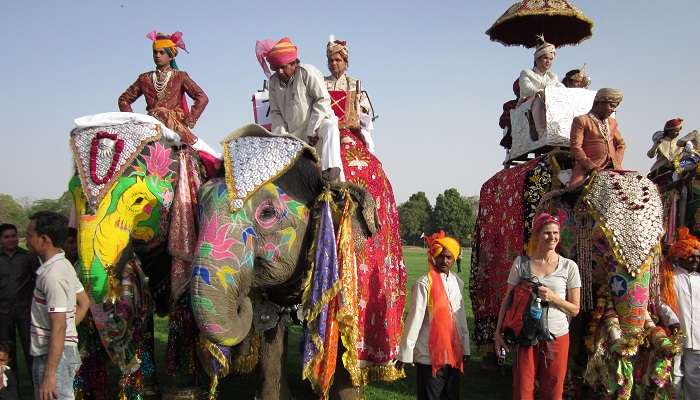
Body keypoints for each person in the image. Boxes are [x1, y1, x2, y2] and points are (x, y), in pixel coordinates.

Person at [324, 37, 407, 370]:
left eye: (340, 59)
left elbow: (369, 125)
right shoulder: (320, 85)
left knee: (373, 175)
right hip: (327, 145)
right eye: (331, 59)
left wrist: (358, 122)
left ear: (347, 61)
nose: (335, 64)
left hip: (353, 145)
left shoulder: (358, 87)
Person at [494, 213, 581, 400]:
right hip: (525, 336)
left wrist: (554, 298)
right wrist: (498, 332)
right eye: (547, 233)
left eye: (556, 233)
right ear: (537, 235)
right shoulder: (522, 264)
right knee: (523, 390)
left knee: (553, 391)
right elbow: (507, 300)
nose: (552, 237)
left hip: (557, 337)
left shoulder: (569, 267)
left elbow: (575, 309)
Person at [257, 37, 344, 182]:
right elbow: (276, 113)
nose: (279, 71)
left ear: (293, 64)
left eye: (282, 67)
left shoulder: (307, 72)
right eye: (276, 68)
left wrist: (312, 130)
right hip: (295, 136)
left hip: (316, 129)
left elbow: (322, 100)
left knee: (330, 126)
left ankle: (332, 168)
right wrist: (283, 139)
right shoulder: (273, 83)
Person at [398, 231, 470, 400]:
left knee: (451, 395)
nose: (444, 261)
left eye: (448, 257)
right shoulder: (424, 283)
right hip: (428, 355)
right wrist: (405, 354)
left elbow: (460, 319)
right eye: (441, 256)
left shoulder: (457, 282)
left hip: (453, 353)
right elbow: (414, 320)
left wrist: (465, 347)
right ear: (434, 256)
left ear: (454, 260)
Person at [26, 212, 90, 400]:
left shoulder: (53, 275)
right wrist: (67, 330)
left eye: (30, 235)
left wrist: (49, 374)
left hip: (53, 356)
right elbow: (83, 302)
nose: (27, 239)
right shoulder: (63, 265)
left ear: (44, 239)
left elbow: (59, 325)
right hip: (57, 352)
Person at [118, 31, 208, 147]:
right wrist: (133, 122)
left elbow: (202, 97)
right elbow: (123, 100)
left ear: (170, 56)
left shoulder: (180, 76)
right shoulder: (144, 78)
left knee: (202, 152)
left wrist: (190, 119)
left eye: (162, 52)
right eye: (155, 52)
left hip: (174, 127)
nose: (157, 55)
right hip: (151, 126)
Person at [658, 227, 700, 399]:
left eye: (698, 256)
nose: (695, 259)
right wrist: (672, 320)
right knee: (674, 378)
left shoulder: (699, 279)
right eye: (691, 255)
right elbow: (660, 302)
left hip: (698, 339)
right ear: (680, 255)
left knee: (695, 380)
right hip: (675, 336)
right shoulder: (670, 278)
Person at [0, 223, 39, 385]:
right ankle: (11, 389)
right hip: (3, 313)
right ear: (1, 240)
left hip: (25, 312)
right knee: (7, 353)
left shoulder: (28, 257)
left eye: (13, 236)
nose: (11, 239)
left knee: (31, 350)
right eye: (6, 237)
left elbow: (38, 281)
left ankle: (36, 384)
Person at [569, 88, 626, 188]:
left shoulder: (612, 122)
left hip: (613, 169)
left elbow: (621, 144)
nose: (613, 110)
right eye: (611, 105)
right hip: (587, 170)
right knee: (574, 195)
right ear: (599, 103)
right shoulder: (582, 121)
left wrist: (616, 161)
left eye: (615, 107)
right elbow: (576, 147)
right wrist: (592, 167)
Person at [518, 36, 565, 102]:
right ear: (537, 59)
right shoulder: (526, 73)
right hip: (527, 108)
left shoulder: (552, 76)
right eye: (545, 58)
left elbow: (562, 89)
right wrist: (544, 92)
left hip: (550, 106)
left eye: (551, 59)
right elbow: (528, 89)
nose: (548, 61)